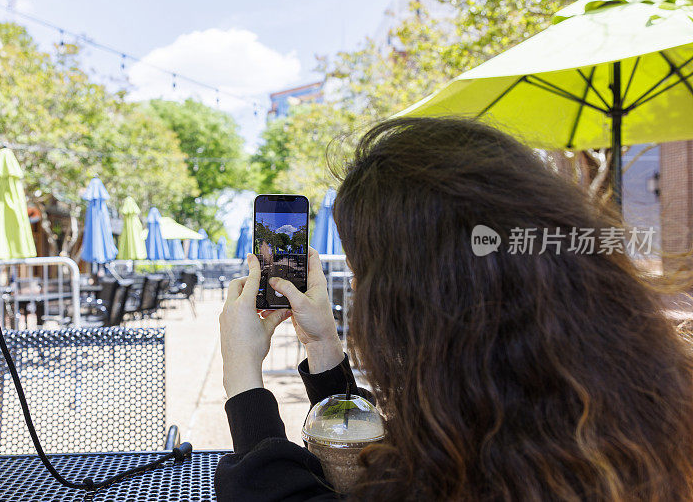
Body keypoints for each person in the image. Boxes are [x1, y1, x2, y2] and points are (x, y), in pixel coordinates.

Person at [215, 117, 693, 501]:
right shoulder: (602, 401)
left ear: (423, 296)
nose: (360, 289)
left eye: (369, 273)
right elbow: (367, 460)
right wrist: (322, 346)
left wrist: (242, 376)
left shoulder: (479, 460)